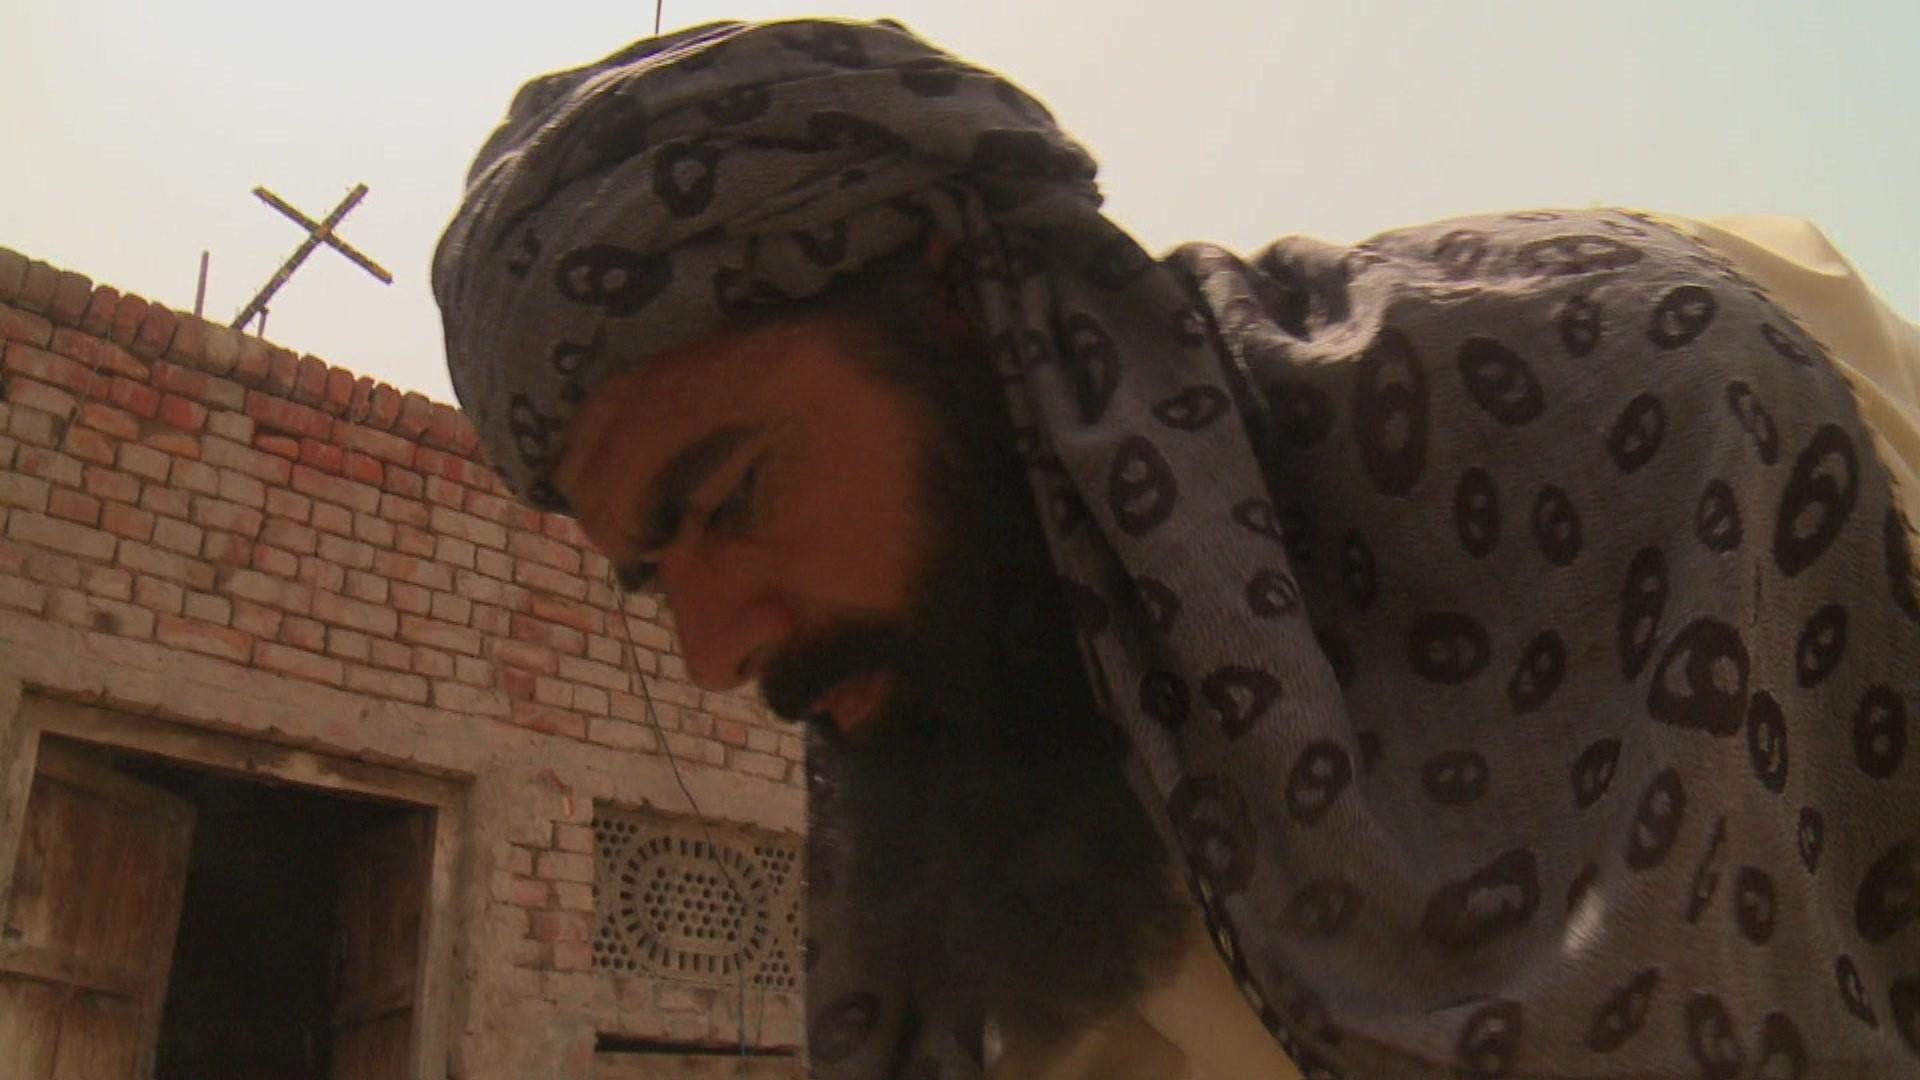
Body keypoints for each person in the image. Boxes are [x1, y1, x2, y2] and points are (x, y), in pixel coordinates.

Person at [433, 18, 1920, 1079]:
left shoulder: (1660, 403)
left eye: (731, 498)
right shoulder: (1005, 830)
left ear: (961, 302)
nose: (712, 655)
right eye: (650, 573)